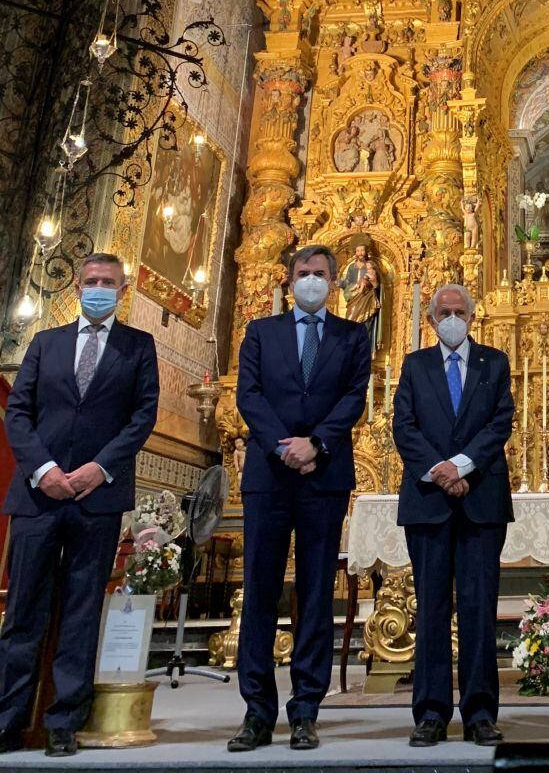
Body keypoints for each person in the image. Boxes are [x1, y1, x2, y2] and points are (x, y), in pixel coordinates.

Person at [1, 253, 159, 757]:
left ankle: (64, 720)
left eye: (107, 282)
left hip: (98, 495)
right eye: (90, 281)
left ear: (122, 289)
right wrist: (43, 469)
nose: (98, 288)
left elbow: (142, 416)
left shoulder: (139, 346)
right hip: (38, 496)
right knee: (23, 611)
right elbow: (18, 411)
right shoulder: (46, 343)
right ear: (77, 285)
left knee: (81, 610)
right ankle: (8, 717)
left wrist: (100, 467)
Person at [229, 244, 370, 752]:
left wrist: (318, 443)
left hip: (324, 475)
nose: (311, 280)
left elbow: (355, 395)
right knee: (260, 592)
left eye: (320, 274)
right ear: (290, 281)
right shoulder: (260, 333)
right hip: (270, 475)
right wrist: (283, 445)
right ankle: (256, 711)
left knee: (315, 594)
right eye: (303, 273)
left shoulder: (354, 335)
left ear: (335, 282)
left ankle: (307, 708)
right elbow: (250, 395)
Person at [392, 284, 514, 747]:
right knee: (433, 609)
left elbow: (501, 421)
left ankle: (480, 711)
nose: (452, 317)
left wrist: (462, 466)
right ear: (430, 318)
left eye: (460, 310)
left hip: (481, 497)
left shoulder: (494, 362)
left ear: (472, 315)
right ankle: (431, 711)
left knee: (480, 609)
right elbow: (403, 425)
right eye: (444, 311)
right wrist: (440, 472)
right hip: (429, 501)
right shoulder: (414, 365)